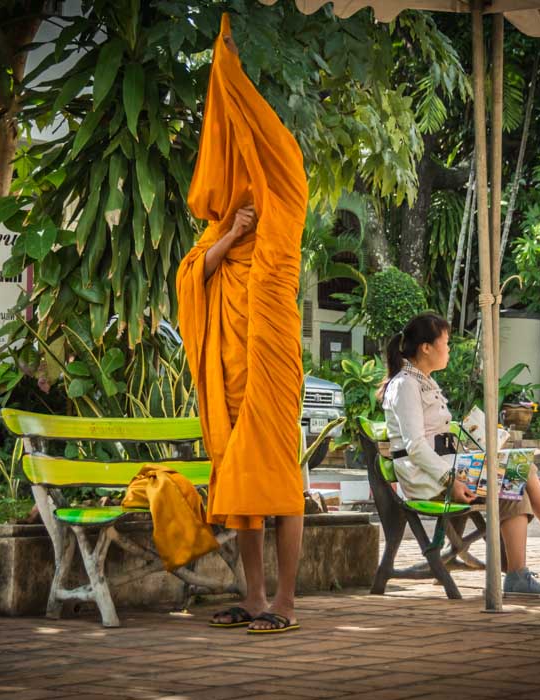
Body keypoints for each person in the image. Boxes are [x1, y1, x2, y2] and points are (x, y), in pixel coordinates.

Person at [176, 14, 307, 634]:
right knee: (244, 490)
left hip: (271, 374)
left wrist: (228, 69)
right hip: (231, 380)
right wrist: (230, 236)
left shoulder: (283, 222)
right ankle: (253, 596)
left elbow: (276, 154)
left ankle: (284, 602)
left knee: (278, 484)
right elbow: (190, 279)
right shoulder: (223, 230)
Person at [379, 313, 540, 596]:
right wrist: (451, 480)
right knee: (516, 477)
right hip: (429, 478)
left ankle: (537, 557)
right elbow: (415, 446)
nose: (448, 349)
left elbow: (435, 436)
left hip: (443, 469)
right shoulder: (406, 385)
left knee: (518, 473)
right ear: (426, 347)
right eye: (445, 343)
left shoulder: (423, 382)